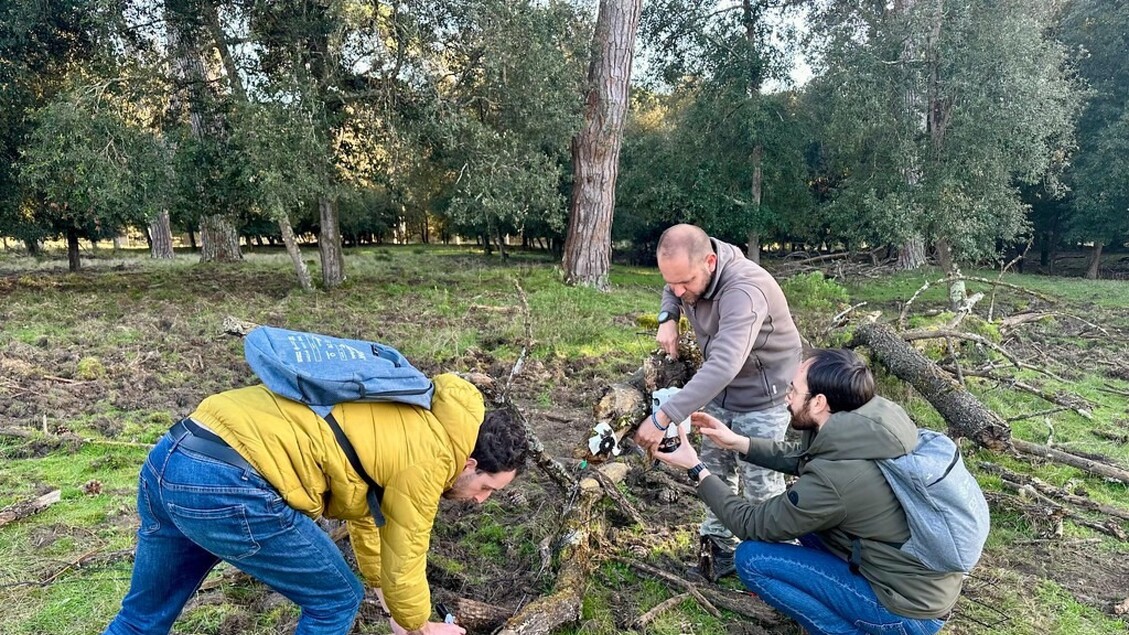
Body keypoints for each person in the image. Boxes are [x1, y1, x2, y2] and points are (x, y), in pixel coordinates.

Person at [102, 373, 528, 635]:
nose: (480, 501)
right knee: (337, 598)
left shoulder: (410, 411)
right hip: (231, 482)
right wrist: (419, 626)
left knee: (141, 619)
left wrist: (390, 604)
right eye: (488, 488)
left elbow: (368, 514)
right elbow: (407, 547)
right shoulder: (432, 455)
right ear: (469, 463)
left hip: (174, 454)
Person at [654, 349, 959, 635]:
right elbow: (810, 455)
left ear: (819, 402)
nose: (786, 397)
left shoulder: (836, 480)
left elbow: (753, 525)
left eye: (793, 391)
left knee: (751, 558)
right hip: (918, 583)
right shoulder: (871, 427)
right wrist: (738, 442)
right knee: (811, 532)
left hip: (904, 612)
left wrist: (696, 468)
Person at [634, 223, 801, 580]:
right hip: (719, 390)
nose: (678, 290)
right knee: (713, 469)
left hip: (763, 395)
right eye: (671, 282)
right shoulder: (690, 271)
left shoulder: (744, 290)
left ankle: (781, 570)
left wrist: (666, 415)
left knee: (762, 486)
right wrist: (668, 316)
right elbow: (672, 286)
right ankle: (719, 552)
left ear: (710, 261)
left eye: (686, 283)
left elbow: (725, 363)